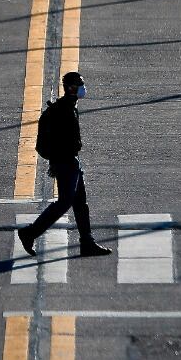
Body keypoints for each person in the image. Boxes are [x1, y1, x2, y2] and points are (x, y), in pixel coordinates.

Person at [18, 71, 112, 258]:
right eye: (80, 85)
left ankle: (87, 242)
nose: (83, 88)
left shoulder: (69, 106)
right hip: (66, 163)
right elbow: (55, 143)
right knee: (65, 202)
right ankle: (30, 233)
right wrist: (57, 161)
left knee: (80, 203)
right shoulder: (63, 110)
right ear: (71, 88)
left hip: (71, 162)